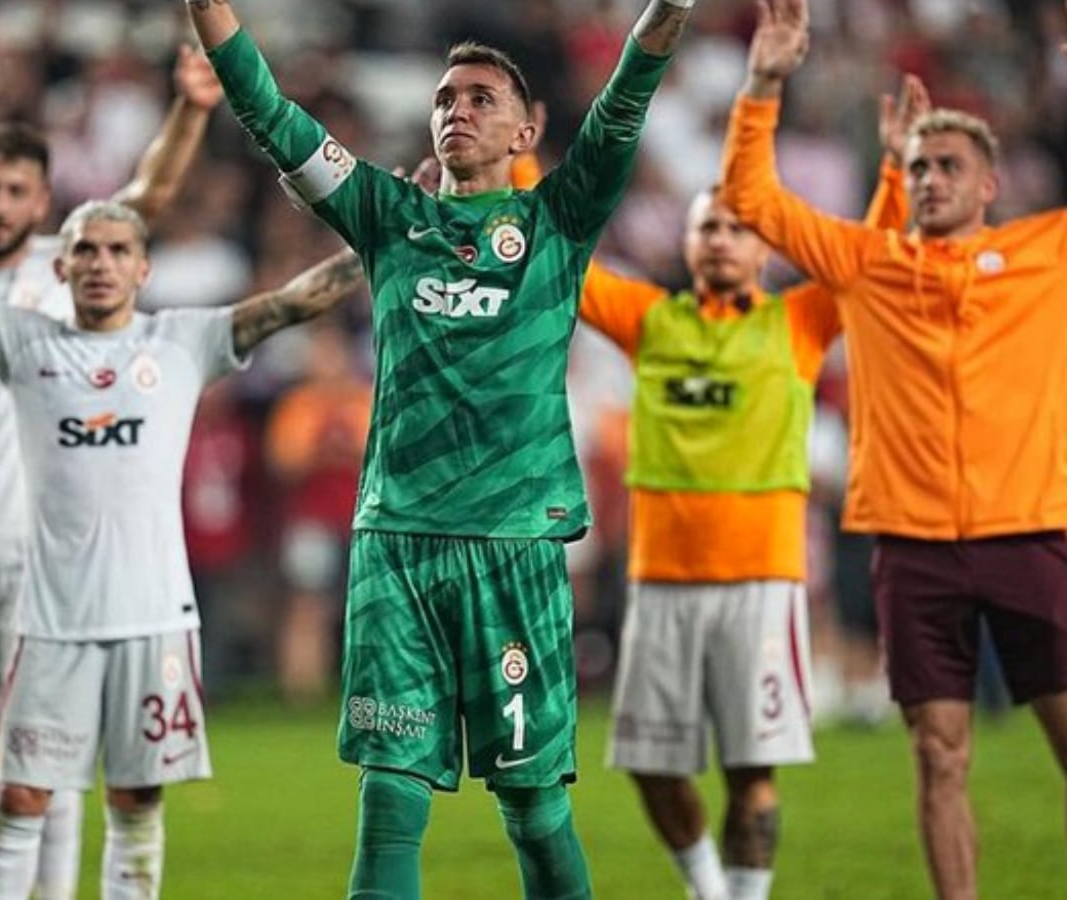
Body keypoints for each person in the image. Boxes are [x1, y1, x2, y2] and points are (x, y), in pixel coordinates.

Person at [186, 1, 704, 897]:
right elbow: (274, 119)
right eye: (443, 98)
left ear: (526, 130)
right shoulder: (389, 218)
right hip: (398, 544)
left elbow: (624, 101)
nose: (456, 109)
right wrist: (209, 12)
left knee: (535, 810)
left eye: (480, 96)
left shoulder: (557, 222)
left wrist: (670, 11)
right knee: (389, 796)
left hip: (513, 544)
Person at [0, 198, 366, 899]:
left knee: (137, 805)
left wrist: (381, 232)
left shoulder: (182, 341)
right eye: (87, 251)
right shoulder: (24, 341)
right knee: (21, 801)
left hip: (157, 619)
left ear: (142, 268)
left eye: (116, 251)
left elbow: (293, 301)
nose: (101, 264)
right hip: (52, 624)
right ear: (62, 265)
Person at [509, 74, 920, 899]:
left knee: (750, 772)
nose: (723, 240)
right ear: (689, 245)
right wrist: (523, 170)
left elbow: (874, 263)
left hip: (762, 583)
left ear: (762, 248)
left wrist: (897, 176)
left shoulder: (796, 324)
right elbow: (560, 256)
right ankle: (706, 886)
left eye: (737, 228)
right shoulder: (651, 321)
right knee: (653, 769)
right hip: (661, 581)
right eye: (708, 228)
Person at [721, 1, 1067, 897]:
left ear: (991, 185)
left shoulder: (1046, 257)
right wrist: (764, 80)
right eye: (918, 165)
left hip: (1030, 532)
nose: (931, 178)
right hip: (911, 546)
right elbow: (750, 199)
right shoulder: (866, 262)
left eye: (950, 165)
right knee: (938, 755)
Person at [0, 44, 225, 898]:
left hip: (43, 547)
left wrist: (191, 107)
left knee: (46, 752)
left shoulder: (65, 277)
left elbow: (150, 197)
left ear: (41, 202)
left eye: (15, 190)